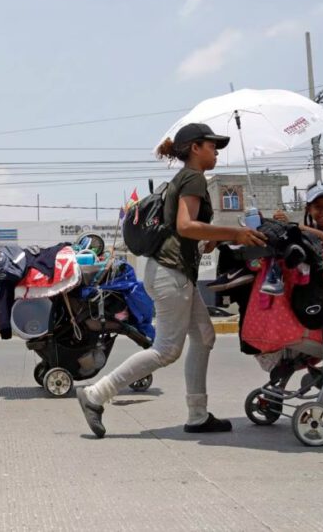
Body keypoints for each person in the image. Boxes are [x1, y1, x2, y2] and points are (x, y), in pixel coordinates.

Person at [76, 123, 267, 438]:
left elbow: (184, 231)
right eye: (211, 145)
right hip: (171, 274)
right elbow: (186, 225)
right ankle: (96, 394)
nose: (216, 152)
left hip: (171, 272)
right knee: (166, 350)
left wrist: (213, 238)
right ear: (195, 148)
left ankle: (198, 415)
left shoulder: (185, 178)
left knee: (204, 336)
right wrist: (235, 233)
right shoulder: (193, 178)